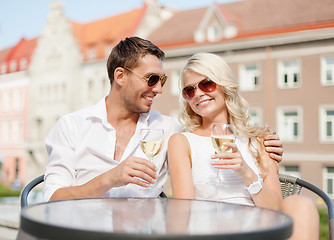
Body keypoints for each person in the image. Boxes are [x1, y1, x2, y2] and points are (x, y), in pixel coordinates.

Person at [43, 37, 283, 202]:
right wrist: (110, 178)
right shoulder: (71, 126)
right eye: (151, 79)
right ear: (120, 76)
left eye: (163, 81)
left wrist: (267, 145)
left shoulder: (167, 128)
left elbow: (204, 140)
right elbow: (52, 197)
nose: (158, 89)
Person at [168, 52, 319, 239]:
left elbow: (276, 211)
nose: (198, 94)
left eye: (206, 84)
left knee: (300, 204)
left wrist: (247, 174)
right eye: (189, 91)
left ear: (224, 85)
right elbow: (184, 212)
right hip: (211, 233)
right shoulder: (182, 142)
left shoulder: (260, 140)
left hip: (257, 231)